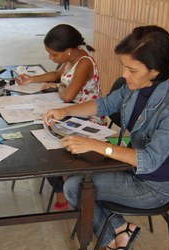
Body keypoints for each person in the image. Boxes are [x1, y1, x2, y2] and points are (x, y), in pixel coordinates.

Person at [44, 25, 169, 250]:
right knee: (77, 174)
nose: (124, 75)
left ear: (155, 71)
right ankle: (121, 231)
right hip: (129, 169)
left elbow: (150, 160)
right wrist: (65, 111)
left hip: (153, 185)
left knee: (74, 188)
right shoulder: (133, 88)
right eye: (124, 66)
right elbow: (102, 105)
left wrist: (96, 145)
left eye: (132, 69)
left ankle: (117, 233)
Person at [16, 24, 106, 210]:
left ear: (68, 50)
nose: (50, 57)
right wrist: (32, 79)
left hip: (87, 117)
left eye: (54, 54)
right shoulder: (72, 57)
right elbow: (58, 75)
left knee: (47, 141)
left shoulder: (84, 62)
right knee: (41, 130)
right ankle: (62, 187)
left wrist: (56, 86)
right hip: (69, 111)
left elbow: (67, 95)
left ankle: (64, 188)